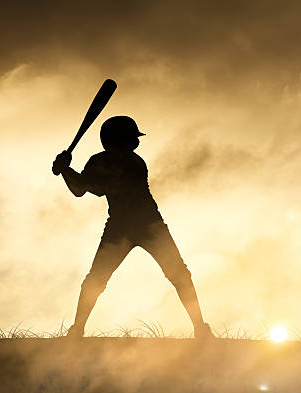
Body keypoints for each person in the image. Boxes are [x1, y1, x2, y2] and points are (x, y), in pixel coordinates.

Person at [52, 116, 213, 339]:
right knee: (96, 279)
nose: (134, 144)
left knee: (179, 274)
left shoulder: (132, 162)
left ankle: (200, 328)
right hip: (128, 226)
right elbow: (80, 189)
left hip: (146, 224)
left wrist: (66, 169)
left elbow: (88, 187)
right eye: (130, 139)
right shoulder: (103, 161)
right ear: (116, 141)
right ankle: (77, 329)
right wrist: (66, 170)